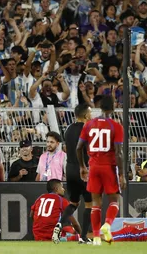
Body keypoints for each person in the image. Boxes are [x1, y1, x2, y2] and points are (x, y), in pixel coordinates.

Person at [77, 96, 126, 246]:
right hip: (108, 167)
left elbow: (79, 147)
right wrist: (122, 174)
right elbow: (118, 153)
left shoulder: (89, 124)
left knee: (95, 203)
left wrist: (82, 166)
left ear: (99, 107)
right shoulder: (116, 126)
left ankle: (97, 237)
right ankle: (108, 225)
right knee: (114, 200)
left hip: (93, 167)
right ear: (113, 107)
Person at [54, 103, 93, 244]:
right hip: (84, 170)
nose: (91, 114)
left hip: (70, 170)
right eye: (90, 112)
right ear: (85, 115)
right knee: (89, 204)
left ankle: (60, 223)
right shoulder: (88, 129)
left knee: (74, 203)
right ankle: (83, 237)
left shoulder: (69, 129)